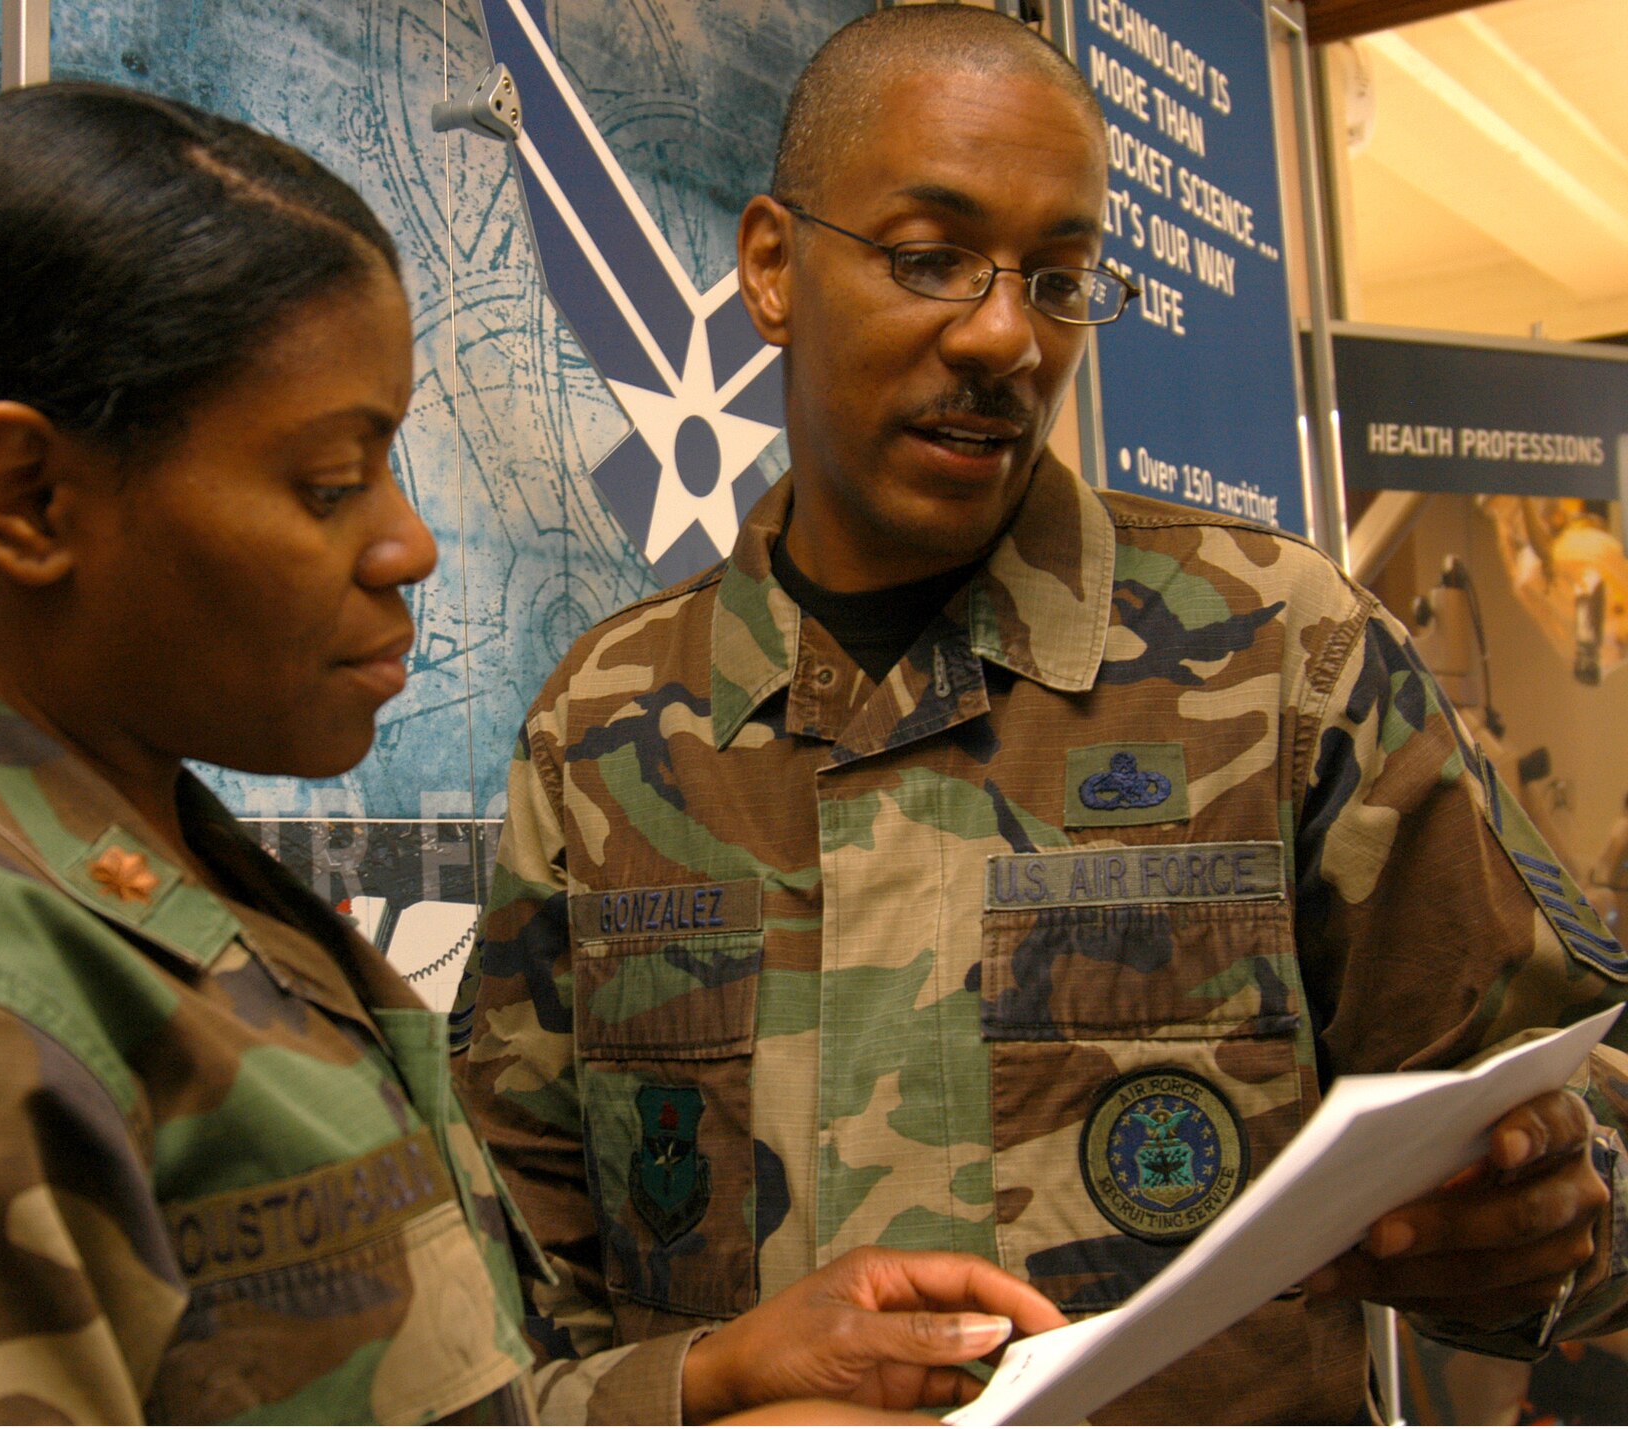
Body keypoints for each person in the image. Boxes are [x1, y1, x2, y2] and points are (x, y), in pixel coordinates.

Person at [0, 82, 1062, 1424]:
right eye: (327, 481)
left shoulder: (185, 908)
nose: (409, 543)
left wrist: (710, 1378)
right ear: (28, 497)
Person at [450, 8, 1628, 1423]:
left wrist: (1567, 1204)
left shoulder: (1283, 655)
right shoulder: (606, 730)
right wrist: (690, 1393)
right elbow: (500, 1303)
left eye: (1061, 278)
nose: (1006, 333)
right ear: (772, 266)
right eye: (932, 257)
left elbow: (1566, 1105)